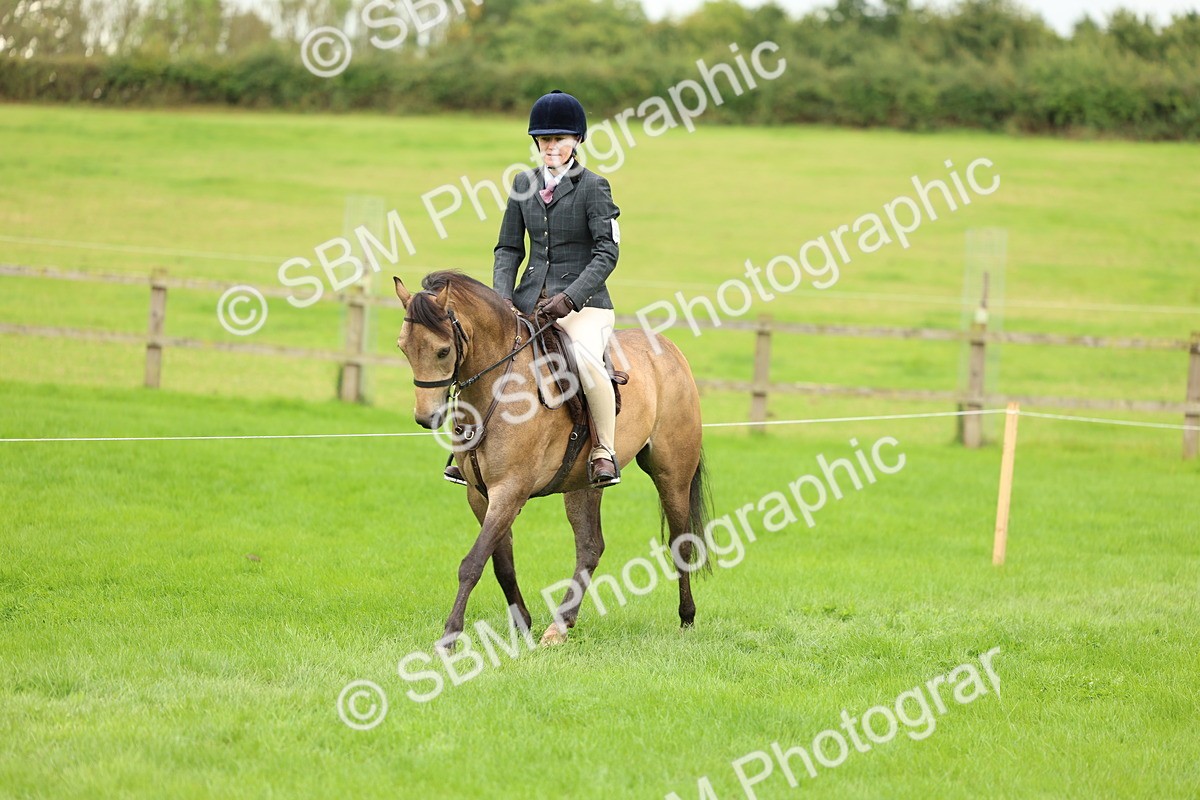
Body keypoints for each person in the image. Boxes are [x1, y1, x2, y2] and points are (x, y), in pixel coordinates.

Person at [444, 89, 622, 489]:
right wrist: (502, 299)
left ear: (577, 140)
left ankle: (603, 450)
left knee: (584, 361)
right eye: (544, 139)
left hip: (585, 307)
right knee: (485, 358)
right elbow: (508, 248)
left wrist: (570, 298)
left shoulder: (594, 187)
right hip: (527, 303)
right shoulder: (523, 183)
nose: (551, 146)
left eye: (559, 139)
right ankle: (468, 449)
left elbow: (607, 252)